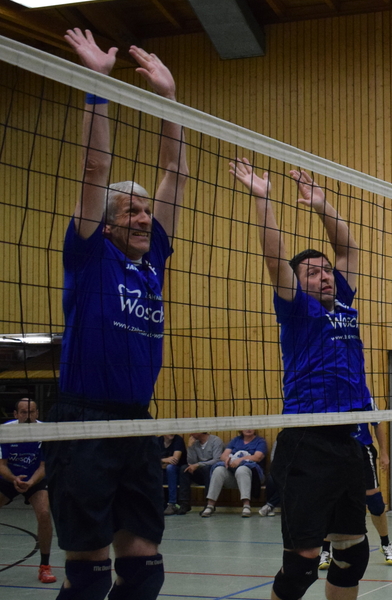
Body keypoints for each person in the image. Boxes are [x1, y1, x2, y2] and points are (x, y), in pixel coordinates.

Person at [43, 28, 188, 600]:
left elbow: (176, 172)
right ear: (106, 224)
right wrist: (96, 87)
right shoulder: (89, 252)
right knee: (89, 577)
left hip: (136, 424)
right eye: (130, 211)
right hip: (84, 422)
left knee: (145, 571)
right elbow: (93, 172)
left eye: (146, 210)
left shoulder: (154, 258)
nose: (143, 217)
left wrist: (168, 100)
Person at [230, 157, 371, 600]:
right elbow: (275, 260)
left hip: (348, 440)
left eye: (326, 270)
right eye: (314, 272)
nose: (325, 275)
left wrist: (321, 204)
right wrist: (263, 200)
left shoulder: (342, 302)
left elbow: (348, 250)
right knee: (303, 563)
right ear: (297, 281)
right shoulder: (296, 307)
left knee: (353, 556)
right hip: (307, 441)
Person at [319, 419, 392, 569]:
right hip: (335, 450)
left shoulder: (365, 403)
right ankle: (325, 551)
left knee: (375, 501)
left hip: (363, 450)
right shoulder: (327, 403)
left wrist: (384, 452)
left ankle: (385, 544)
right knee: (331, 500)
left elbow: (377, 423)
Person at [0, 398, 57, 584]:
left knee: (44, 513)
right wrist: (14, 479)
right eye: (24, 412)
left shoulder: (44, 431)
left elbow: (44, 466)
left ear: (37, 413)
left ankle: (45, 567)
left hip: (35, 477)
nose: (28, 416)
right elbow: (1, 465)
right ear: (16, 414)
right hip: (9, 477)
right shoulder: (6, 431)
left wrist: (31, 481)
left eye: (32, 412)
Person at [200, 429, 267, 518]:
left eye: (251, 427)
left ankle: (246, 505)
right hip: (233, 475)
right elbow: (223, 456)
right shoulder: (235, 440)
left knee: (242, 469)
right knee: (218, 470)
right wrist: (227, 459)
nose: (248, 429)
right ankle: (210, 505)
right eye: (245, 427)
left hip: (253, 477)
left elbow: (257, 457)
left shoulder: (260, 441)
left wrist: (240, 460)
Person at [178, 432, 224, 514]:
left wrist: (198, 464)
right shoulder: (195, 443)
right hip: (199, 471)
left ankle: (208, 504)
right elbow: (191, 462)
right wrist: (190, 447)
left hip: (212, 472)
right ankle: (184, 503)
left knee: (207, 469)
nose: (190, 434)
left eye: (193, 431)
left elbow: (217, 460)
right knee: (184, 469)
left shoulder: (215, 440)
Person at [159, 434, 186, 515]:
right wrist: (165, 460)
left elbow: (175, 460)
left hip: (178, 473)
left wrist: (160, 462)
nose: (172, 433)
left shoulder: (178, 440)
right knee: (152, 468)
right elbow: (151, 459)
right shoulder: (158, 440)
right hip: (162, 471)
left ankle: (172, 503)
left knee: (170, 468)